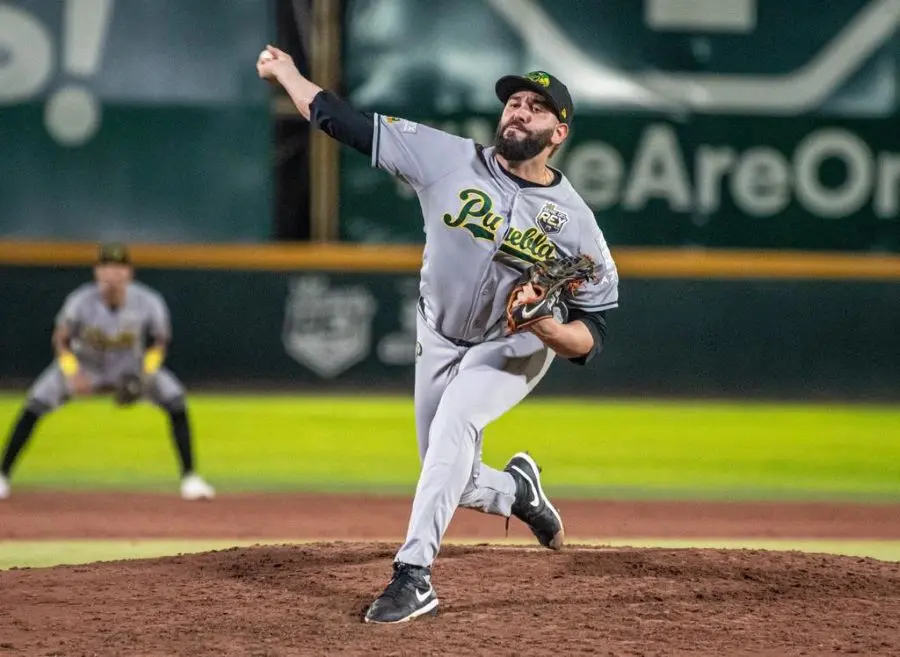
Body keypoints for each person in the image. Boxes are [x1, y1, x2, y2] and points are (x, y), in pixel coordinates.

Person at [257, 46, 619, 624]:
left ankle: (413, 576)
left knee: (456, 425)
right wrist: (288, 73)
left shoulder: (576, 224)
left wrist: (546, 327)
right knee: (448, 472)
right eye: (514, 102)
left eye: (536, 107)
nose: (519, 111)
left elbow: (591, 334)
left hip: (515, 342)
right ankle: (517, 493)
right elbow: (341, 121)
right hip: (440, 332)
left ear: (559, 133)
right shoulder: (447, 158)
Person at [0, 243, 215, 502]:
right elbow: (61, 340)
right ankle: (2, 475)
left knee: (176, 399)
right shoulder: (80, 301)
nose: (112, 274)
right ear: (97, 272)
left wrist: (145, 374)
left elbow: (159, 342)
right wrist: (72, 372)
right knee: (35, 403)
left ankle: (190, 478)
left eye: (118, 268)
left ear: (129, 273)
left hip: (130, 368)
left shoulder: (148, 301)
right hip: (84, 365)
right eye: (107, 268)